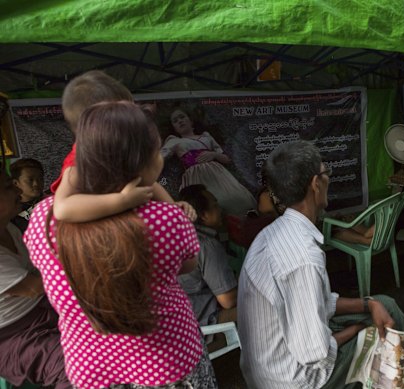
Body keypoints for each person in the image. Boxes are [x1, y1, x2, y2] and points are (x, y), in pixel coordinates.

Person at [24, 102, 217, 388]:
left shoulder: (43, 217)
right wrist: (155, 192)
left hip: (90, 366)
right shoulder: (164, 219)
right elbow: (188, 265)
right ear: (142, 160)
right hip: (166, 363)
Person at [237, 140, 404, 389]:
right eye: (326, 172)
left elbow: (317, 301)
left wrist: (368, 303)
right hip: (292, 380)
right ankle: (400, 379)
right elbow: (314, 353)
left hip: (270, 365)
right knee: (385, 338)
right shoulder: (304, 258)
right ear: (316, 184)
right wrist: (359, 330)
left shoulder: (273, 232)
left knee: (385, 304)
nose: (328, 178)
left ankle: (398, 373)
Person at [51, 70, 196, 223]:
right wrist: (121, 201)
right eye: (124, 113)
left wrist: (172, 207)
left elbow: (145, 181)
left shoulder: (119, 149)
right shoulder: (78, 162)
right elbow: (62, 209)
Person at [0, 166, 70, 389]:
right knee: (72, 370)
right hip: (15, 336)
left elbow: (40, 269)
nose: (17, 190)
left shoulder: (10, 228)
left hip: (44, 310)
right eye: (8, 187)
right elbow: (34, 286)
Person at [161, 108, 256, 215]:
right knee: (206, 205)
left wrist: (213, 154)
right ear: (174, 128)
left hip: (218, 174)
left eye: (182, 117)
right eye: (175, 120)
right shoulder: (175, 141)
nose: (180, 121)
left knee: (236, 199)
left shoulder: (206, 137)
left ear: (191, 120)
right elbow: (161, 157)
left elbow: (226, 159)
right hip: (196, 177)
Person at [178, 184, 238, 327]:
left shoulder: (177, 237)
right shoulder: (206, 244)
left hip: (179, 319)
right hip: (202, 321)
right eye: (215, 206)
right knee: (259, 309)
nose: (221, 210)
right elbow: (228, 300)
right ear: (204, 215)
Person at [10, 158, 44, 232]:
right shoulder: (10, 214)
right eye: (30, 180)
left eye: (40, 179)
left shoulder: (52, 203)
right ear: (16, 183)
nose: (36, 184)